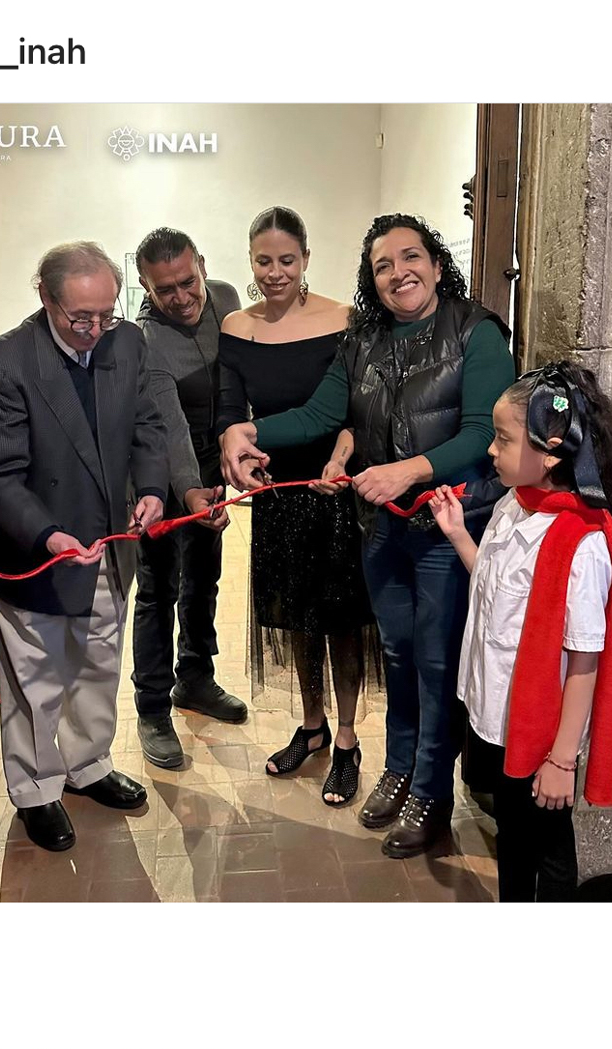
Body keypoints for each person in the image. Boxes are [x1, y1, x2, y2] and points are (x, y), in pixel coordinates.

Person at [221, 213, 516, 853]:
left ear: (436, 264)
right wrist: (247, 431)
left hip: (447, 528)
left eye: (411, 258)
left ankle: (431, 792)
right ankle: (399, 769)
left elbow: (481, 433)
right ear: (372, 279)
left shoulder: (477, 332)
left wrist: (407, 471)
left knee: (436, 662)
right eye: (383, 265)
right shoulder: (363, 340)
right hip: (381, 528)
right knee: (400, 655)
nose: (398, 273)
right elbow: (319, 414)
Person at [0, 242, 169, 853]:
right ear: (46, 298)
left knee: (99, 660)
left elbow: (147, 426)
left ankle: (89, 765)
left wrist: (153, 489)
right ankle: (35, 789)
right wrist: (47, 534)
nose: (95, 330)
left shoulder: (128, 343)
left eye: (107, 314)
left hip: (109, 540)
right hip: (41, 550)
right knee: (38, 678)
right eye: (81, 318)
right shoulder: (4, 363)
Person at [430, 361, 612, 901]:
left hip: (540, 734)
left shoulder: (581, 543)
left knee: (547, 852)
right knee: (514, 838)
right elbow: (496, 592)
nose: (491, 450)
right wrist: (458, 535)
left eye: (503, 439)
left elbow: (584, 660)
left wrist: (562, 760)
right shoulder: (512, 506)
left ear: (551, 450)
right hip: (498, 714)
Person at [217, 207, 373, 807]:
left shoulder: (344, 319)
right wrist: (240, 458)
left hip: (337, 485)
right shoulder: (237, 326)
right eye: (264, 261)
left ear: (306, 258)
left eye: (287, 260)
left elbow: (360, 408)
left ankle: (349, 740)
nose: (275, 273)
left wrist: (341, 460)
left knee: (342, 620)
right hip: (277, 491)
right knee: (298, 617)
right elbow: (230, 412)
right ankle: (313, 728)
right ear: (250, 261)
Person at [133, 227, 247, 771]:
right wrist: (186, 490)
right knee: (159, 588)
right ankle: (152, 707)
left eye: (187, 282)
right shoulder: (146, 339)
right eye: (165, 290)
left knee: (204, 576)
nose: (181, 298)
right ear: (145, 287)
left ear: (202, 265)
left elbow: (241, 377)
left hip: (211, 463)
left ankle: (195, 679)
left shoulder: (225, 297)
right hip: (160, 471)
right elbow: (170, 424)